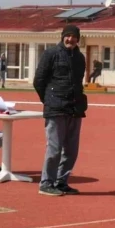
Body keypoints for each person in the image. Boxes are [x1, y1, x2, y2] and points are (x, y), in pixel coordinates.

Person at [34, 25, 87, 196]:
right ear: (62, 37)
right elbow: (39, 81)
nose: (70, 39)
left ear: (78, 39)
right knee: (54, 149)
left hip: (75, 108)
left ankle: (61, 182)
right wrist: (49, 100)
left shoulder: (80, 57)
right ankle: (46, 183)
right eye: (67, 36)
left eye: (73, 36)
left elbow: (78, 82)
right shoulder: (51, 54)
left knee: (71, 150)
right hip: (56, 108)